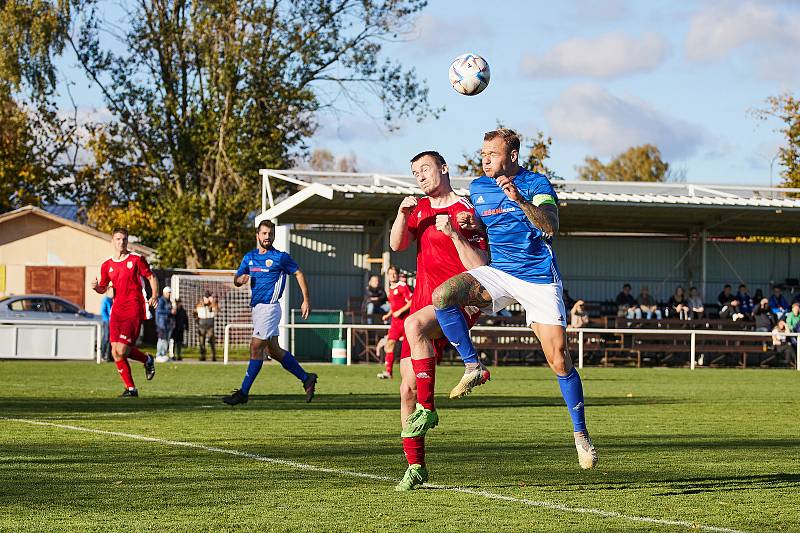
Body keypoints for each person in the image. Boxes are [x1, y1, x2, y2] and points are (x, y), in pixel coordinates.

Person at [430, 128, 598, 473]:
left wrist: (520, 199)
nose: (485, 158)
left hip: (538, 279)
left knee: (560, 362)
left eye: (492, 153)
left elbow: (550, 226)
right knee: (443, 295)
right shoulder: (478, 188)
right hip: (501, 273)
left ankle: (580, 434)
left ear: (513, 156)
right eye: (482, 153)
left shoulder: (537, 184)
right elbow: (483, 221)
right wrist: (468, 221)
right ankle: (473, 367)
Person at [389, 150, 489, 491]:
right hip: (421, 304)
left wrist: (455, 234)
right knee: (406, 389)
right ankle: (416, 466)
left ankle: (429, 409)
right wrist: (402, 215)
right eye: (415, 171)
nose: (420, 175)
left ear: (443, 169)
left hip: (456, 303)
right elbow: (397, 244)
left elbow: (480, 267)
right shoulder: (418, 210)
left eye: (425, 168)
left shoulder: (465, 211)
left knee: (413, 326)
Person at [222, 219, 317, 405]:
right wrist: (239, 280)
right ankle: (307, 379)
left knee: (256, 347)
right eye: (264, 233)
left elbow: (298, 273)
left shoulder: (280, 257)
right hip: (257, 309)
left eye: (270, 234)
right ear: (258, 235)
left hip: (270, 308)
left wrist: (306, 299)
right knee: (274, 351)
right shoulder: (249, 257)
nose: (267, 237)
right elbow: (236, 277)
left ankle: (243, 392)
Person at [91, 228, 157, 397]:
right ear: (112, 241)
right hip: (116, 312)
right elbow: (104, 288)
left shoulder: (136, 259)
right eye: (118, 239)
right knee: (115, 352)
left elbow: (151, 277)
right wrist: (95, 287)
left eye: (124, 239)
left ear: (128, 241)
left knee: (122, 350)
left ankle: (147, 360)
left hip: (133, 309)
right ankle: (131, 389)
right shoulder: (107, 265)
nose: (121, 242)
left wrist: (154, 295)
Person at [377, 265, 413, 379]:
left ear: (398, 275)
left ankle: (415, 373)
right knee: (389, 344)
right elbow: (395, 306)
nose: (392, 276)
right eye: (390, 274)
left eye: (394, 274)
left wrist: (399, 312)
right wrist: (388, 315)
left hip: (406, 321)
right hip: (395, 322)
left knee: (411, 348)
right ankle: (388, 372)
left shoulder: (403, 286)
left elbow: (411, 302)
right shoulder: (391, 289)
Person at [196, 290, 219, 361]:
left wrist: (212, 302)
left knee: (211, 340)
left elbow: (217, 310)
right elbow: (195, 312)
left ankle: (213, 355)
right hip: (202, 324)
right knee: (201, 341)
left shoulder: (212, 304)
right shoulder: (199, 304)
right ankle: (202, 355)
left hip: (210, 324)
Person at [155, 286, 175, 362]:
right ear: (164, 293)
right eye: (168, 293)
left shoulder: (169, 301)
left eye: (170, 293)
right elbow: (159, 310)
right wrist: (170, 311)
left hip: (167, 324)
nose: (169, 294)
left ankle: (163, 354)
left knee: (166, 340)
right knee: (161, 339)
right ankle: (159, 354)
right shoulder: (161, 300)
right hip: (161, 324)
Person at [100, 288, 114, 362]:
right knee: (106, 338)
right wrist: (109, 319)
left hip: (111, 321)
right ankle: (103, 355)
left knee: (110, 339)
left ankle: (109, 355)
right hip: (107, 321)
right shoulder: (105, 300)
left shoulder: (111, 300)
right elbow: (103, 311)